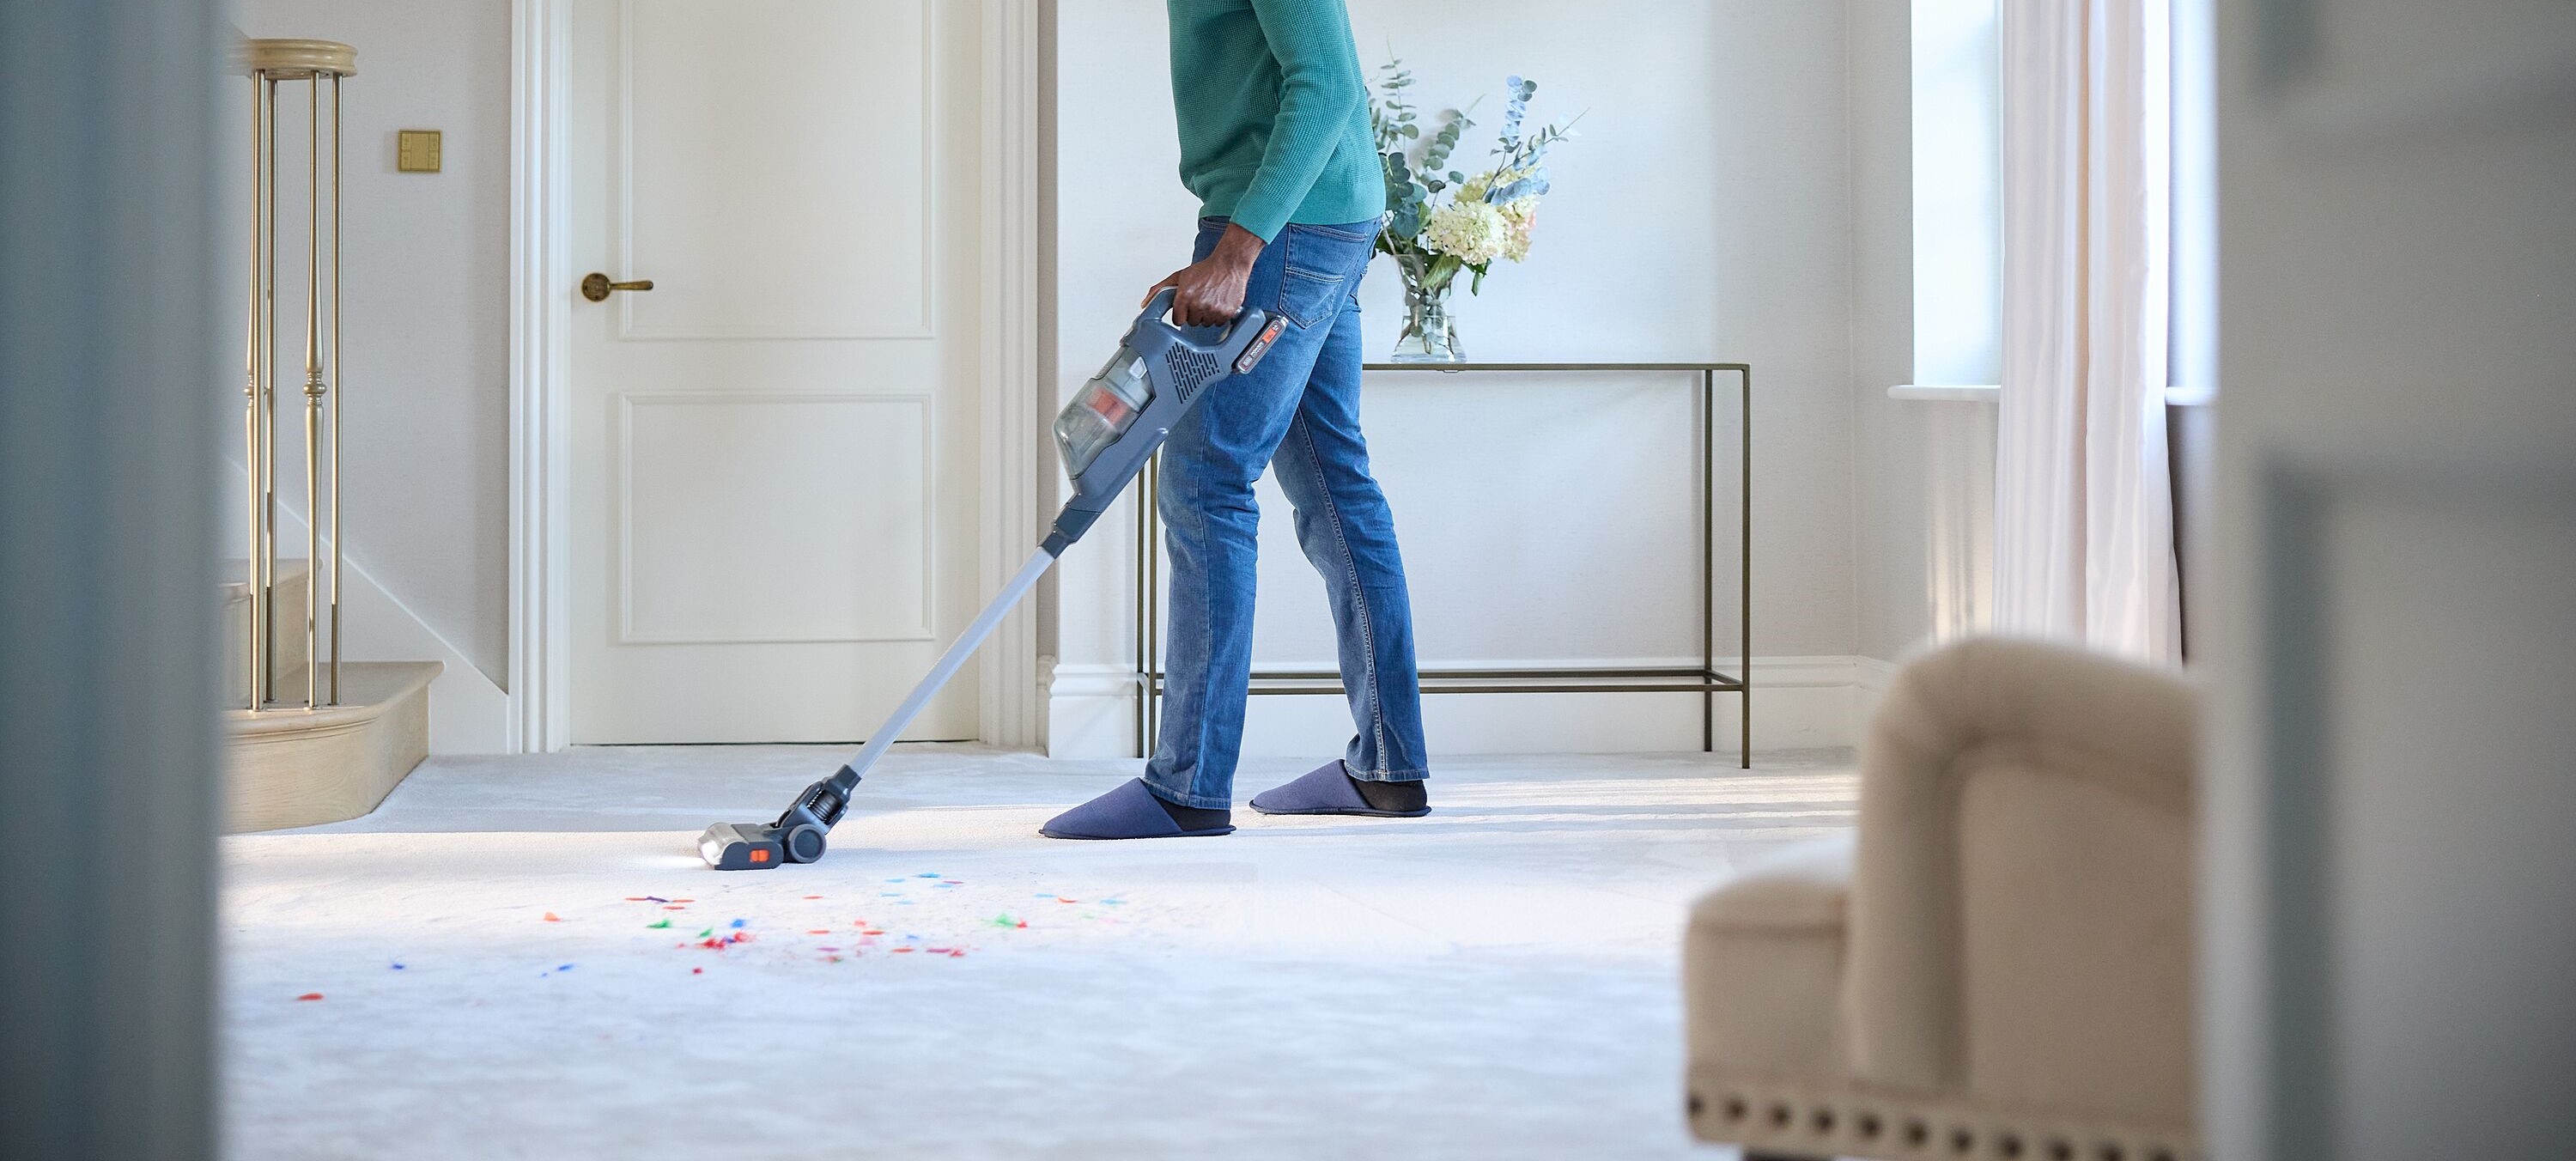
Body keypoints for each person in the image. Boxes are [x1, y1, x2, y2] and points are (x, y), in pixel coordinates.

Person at [1040, 0, 1429, 840]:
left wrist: (1239, 247)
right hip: (1314, 214)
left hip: (1286, 220)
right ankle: (1389, 766)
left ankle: (1188, 782)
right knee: (1332, 480)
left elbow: (1325, 86)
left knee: (1207, 478)